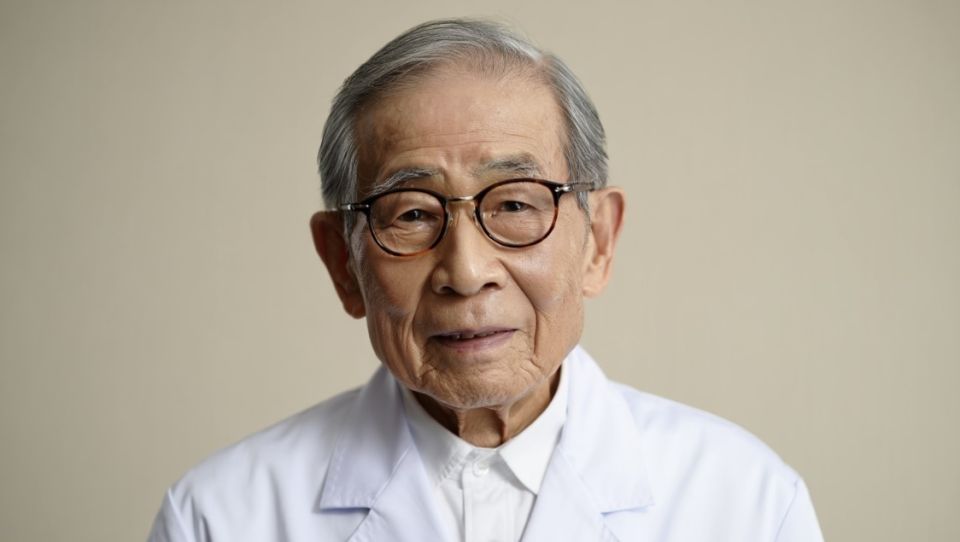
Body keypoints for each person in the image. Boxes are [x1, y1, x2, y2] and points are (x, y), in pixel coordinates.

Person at [148, 18, 823, 542]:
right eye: (412, 214)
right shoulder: (220, 517)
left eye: (515, 204)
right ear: (342, 263)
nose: (467, 273)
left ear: (598, 241)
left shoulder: (747, 503)